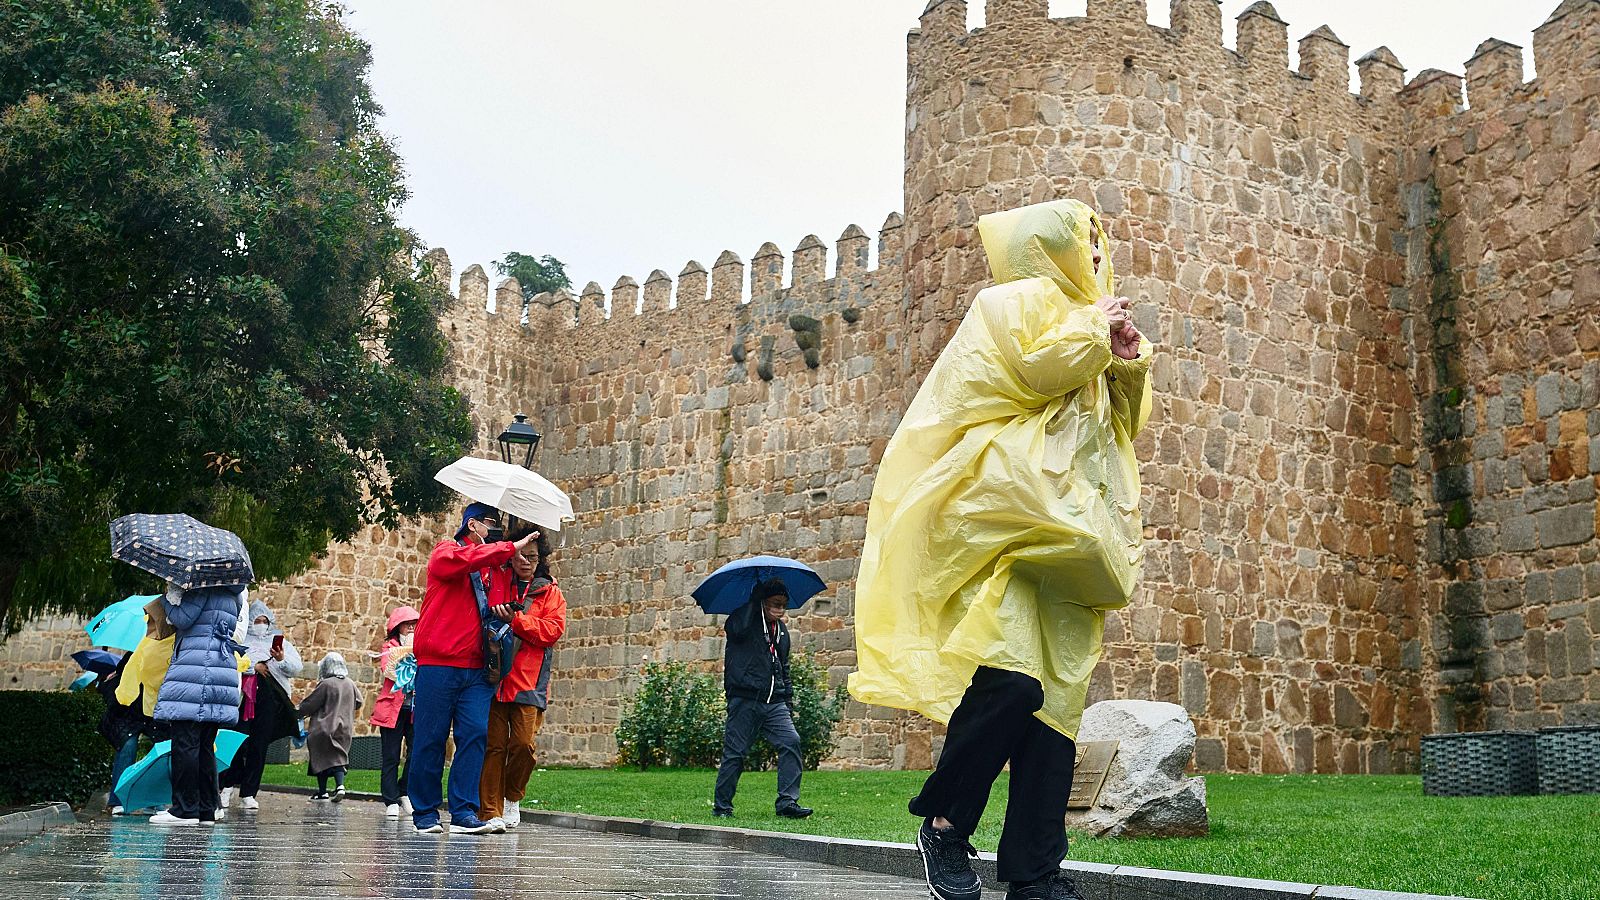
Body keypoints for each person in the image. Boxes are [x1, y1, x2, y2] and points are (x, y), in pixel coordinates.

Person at [848, 199, 1153, 900]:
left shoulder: (1093, 318)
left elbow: (1122, 427)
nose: (1099, 254)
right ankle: (946, 825)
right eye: (1088, 240)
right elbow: (1027, 371)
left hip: (1075, 538)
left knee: (1056, 713)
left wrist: (1129, 361)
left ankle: (1035, 873)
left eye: (1102, 243)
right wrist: (1092, 333)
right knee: (1012, 682)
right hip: (1015, 525)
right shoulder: (1011, 302)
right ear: (1052, 246)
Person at [408, 501, 538, 835]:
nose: (495, 528)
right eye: (490, 522)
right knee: (430, 739)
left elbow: (507, 599)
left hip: (479, 667)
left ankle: (464, 811)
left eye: (499, 523)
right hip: (439, 663)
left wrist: (517, 574)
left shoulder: (498, 568)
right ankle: (425, 813)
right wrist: (506, 548)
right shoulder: (446, 551)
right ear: (471, 525)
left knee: (475, 737)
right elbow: (466, 561)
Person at [479, 531, 567, 830]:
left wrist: (515, 621)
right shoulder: (498, 583)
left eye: (531, 557)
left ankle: (512, 797)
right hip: (494, 677)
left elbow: (551, 631)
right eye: (519, 556)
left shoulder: (550, 592)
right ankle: (489, 811)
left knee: (523, 745)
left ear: (540, 559)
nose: (525, 562)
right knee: (493, 747)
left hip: (529, 680)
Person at [712, 578, 811, 820]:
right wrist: (753, 603)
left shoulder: (782, 631)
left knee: (791, 741)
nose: (780, 609)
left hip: (774, 702)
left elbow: (783, 668)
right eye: (775, 604)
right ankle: (722, 806)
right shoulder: (742, 620)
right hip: (745, 699)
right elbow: (735, 631)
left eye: (783, 605)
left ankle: (787, 802)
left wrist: (787, 702)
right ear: (763, 602)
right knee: (735, 753)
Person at [149, 583, 245, 826]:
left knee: (186, 742)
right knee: (204, 745)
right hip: (218, 670)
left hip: (195, 670)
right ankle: (206, 808)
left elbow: (182, 618)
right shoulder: (233, 595)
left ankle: (185, 809)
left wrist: (171, 596)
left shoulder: (203, 588)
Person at [220, 599, 303, 811]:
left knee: (259, 745)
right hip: (242, 700)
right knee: (237, 742)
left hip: (270, 701)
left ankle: (249, 792)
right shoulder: (240, 640)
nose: (261, 623)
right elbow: (230, 662)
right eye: (257, 620)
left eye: (265, 620)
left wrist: (281, 659)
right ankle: (227, 785)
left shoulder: (281, 644)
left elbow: (296, 667)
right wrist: (253, 667)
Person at [371, 605, 420, 818]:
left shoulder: (423, 646)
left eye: (414, 624)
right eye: (407, 624)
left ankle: (404, 791)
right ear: (397, 627)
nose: (411, 628)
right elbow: (388, 670)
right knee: (391, 756)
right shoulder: (389, 647)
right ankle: (390, 799)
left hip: (415, 709)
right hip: (392, 709)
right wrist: (405, 653)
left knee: (415, 753)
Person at [297, 652, 363, 802]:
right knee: (338, 757)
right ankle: (340, 786)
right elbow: (359, 701)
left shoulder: (326, 684)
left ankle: (322, 791)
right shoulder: (350, 683)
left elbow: (311, 704)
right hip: (344, 728)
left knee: (320, 758)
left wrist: (298, 711)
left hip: (324, 728)